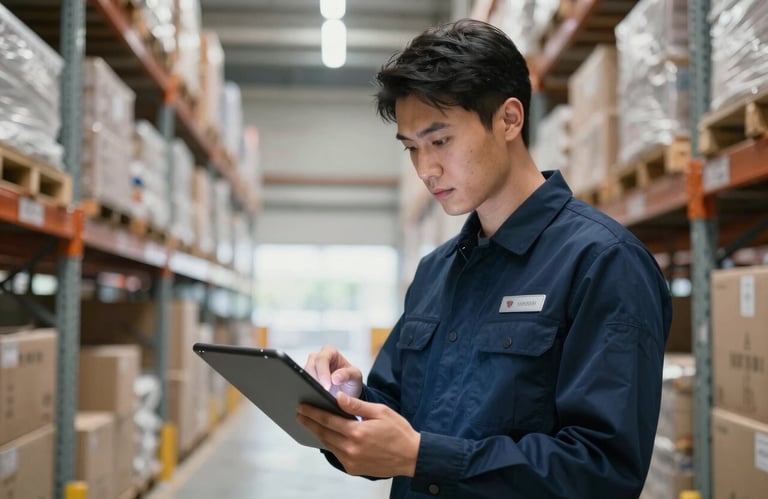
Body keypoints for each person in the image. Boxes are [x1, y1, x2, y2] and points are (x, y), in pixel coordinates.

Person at [296, 18, 671, 499]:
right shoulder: (436, 271)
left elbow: (602, 471)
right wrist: (347, 399)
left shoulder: (603, 263)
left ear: (509, 120)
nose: (426, 169)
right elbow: (399, 411)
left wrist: (420, 456)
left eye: (440, 141)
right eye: (412, 148)